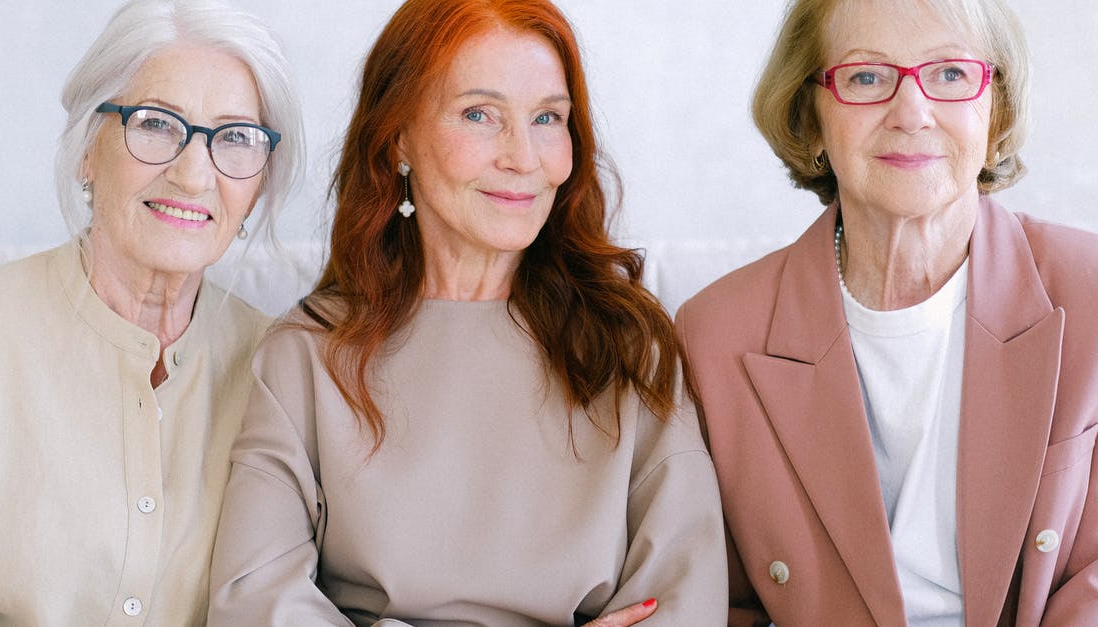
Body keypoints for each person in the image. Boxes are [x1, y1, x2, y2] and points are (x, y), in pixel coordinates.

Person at [206, 0, 727, 625]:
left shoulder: (629, 346)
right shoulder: (305, 352)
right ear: (398, 136)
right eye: (480, 114)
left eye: (547, 118)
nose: (523, 156)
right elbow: (255, 605)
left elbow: (681, 602)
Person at [675, 0, 1098, 625]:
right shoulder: (713, 334)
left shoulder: (1088, 290)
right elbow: (715, 599)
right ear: (809, 117)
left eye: (950, 74)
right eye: (867, 76)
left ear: (996, 110)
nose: (913, 113)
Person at [0, 0, 301, 623]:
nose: (194, 174)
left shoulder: (282, 367)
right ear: (89, 146)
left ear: (259, 184)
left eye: (236, 138)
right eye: (156, 124)